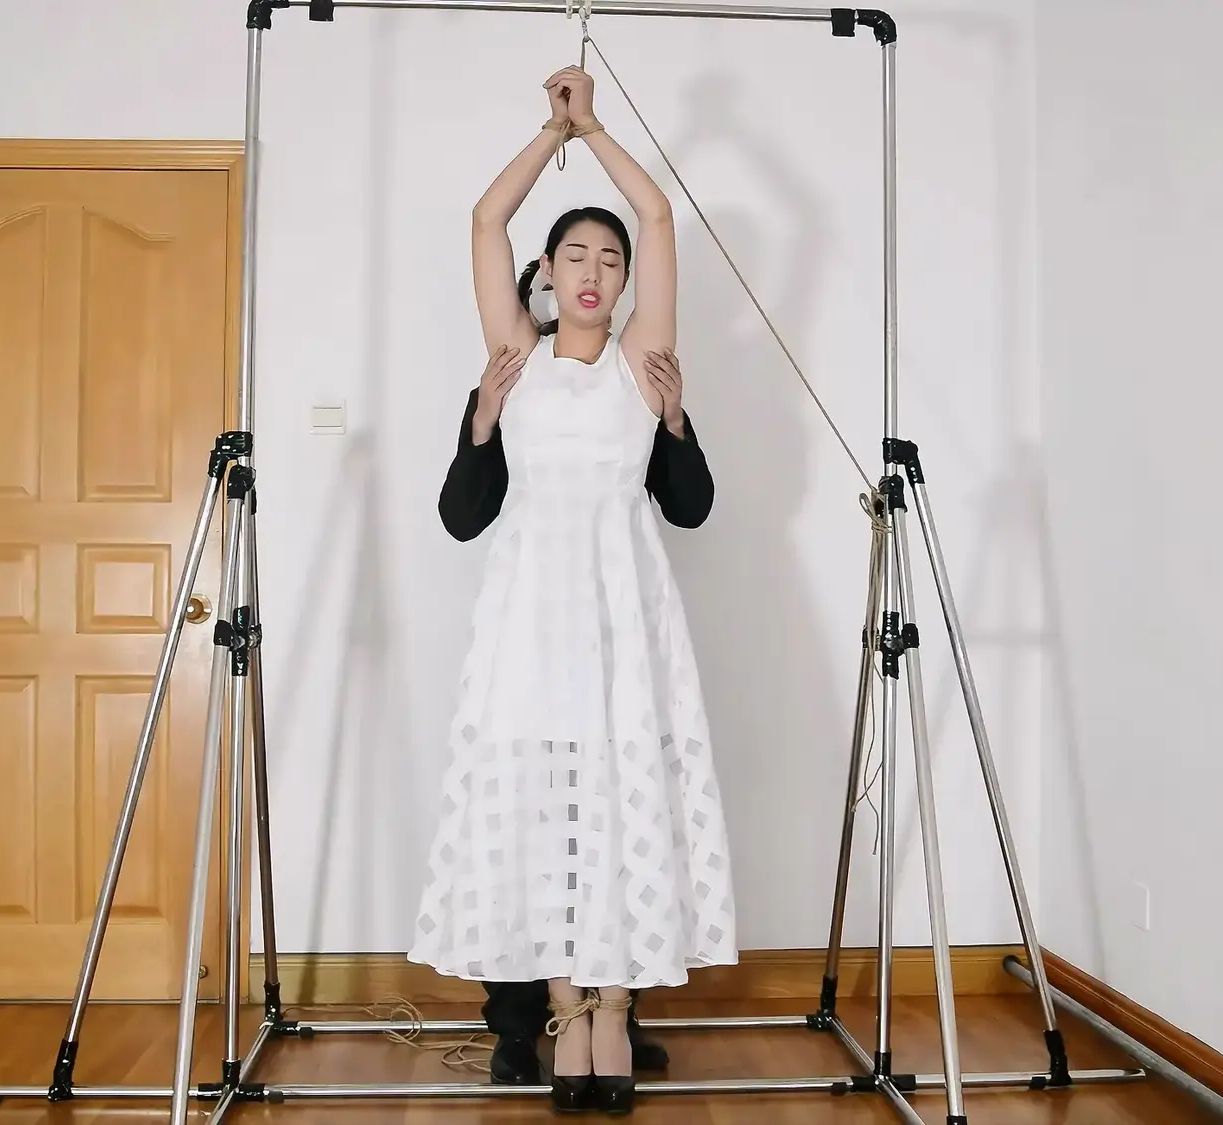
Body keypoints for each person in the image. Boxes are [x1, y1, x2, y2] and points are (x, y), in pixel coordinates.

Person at [407, 63, 740, 1115]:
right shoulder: (513, 357)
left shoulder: (646, 360)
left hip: (623, 607)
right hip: (528, 611)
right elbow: (484, 218)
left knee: (616, 799)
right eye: (574, 256)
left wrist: (594, 128)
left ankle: (612, 1008)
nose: (593, 273)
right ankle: (563, 1007)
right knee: (546, 804)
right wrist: (547, 133)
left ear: (626, 279)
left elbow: (657, 210)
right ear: (546, 272)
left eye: (610, 259)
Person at [437, 344, 711, 1088]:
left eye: (604, 277)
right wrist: (483, 423)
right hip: (533, 641)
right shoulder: (515, 382)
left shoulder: (631, 379)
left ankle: (614, 1009)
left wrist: (674, 421)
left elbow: (690, 507)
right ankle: (520, 1020)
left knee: (613, 812)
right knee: (535, 816)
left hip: (613, 642)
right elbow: (461, 517)